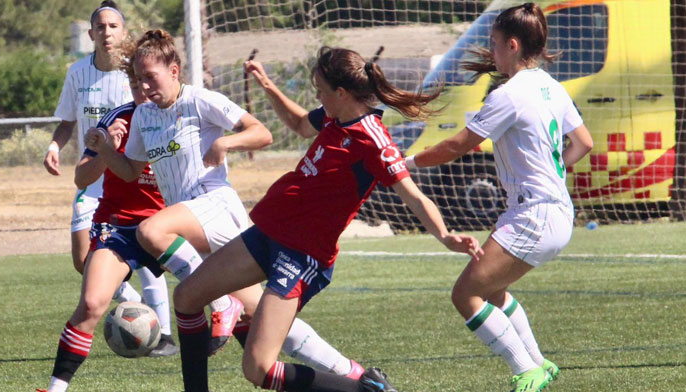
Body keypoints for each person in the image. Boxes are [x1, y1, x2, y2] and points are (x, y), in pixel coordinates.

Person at [171, 46, 483, 392]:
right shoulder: (334, 115)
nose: (317, 95)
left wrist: (445, 236)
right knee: (186, 297)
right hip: (266, 235)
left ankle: (366, 389)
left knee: (258, 370)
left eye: (320, 89)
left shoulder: (374, 140)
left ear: (341, 92)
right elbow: (300, 124)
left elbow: (413, 195)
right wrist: (267, 85)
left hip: (301, 256)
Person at [88, 29, 371, 386]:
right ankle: (358, 377)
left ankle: (221, 304)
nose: (143, 87)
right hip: (190, 231)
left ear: (174, 71)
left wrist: (225, 142)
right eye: (138, 79)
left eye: (150, 77)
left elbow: (261, 133)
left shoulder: (200, 100)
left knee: (150, 230)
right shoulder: (144, 117)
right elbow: (130, 171)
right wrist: (107, 152)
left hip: (216, 208)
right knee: (267, 326)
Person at [405, 3, 594, 391]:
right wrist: (552, 172)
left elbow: (458, 145)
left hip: (534, 215)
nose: (490, 52)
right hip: (555, 211)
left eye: (493, 44)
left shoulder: (508, 95)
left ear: (511, 45)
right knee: (492, 290)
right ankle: (540, 363)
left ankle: (527, 369)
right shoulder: (552, 86)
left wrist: (404, 162)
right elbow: (584, 143)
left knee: (465, 294)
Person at [41, 0, 174, 348]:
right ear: (91, 34)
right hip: (93, 174)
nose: (107, 32)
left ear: (123, 31)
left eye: (113, 26)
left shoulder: (135, 75)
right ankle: (137, 308)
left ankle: (166, 334)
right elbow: (67, 122)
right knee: (84, 261)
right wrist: (54, 147)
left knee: (148, 254)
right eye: (100, 26)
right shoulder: (77, 72)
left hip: (129, 177)